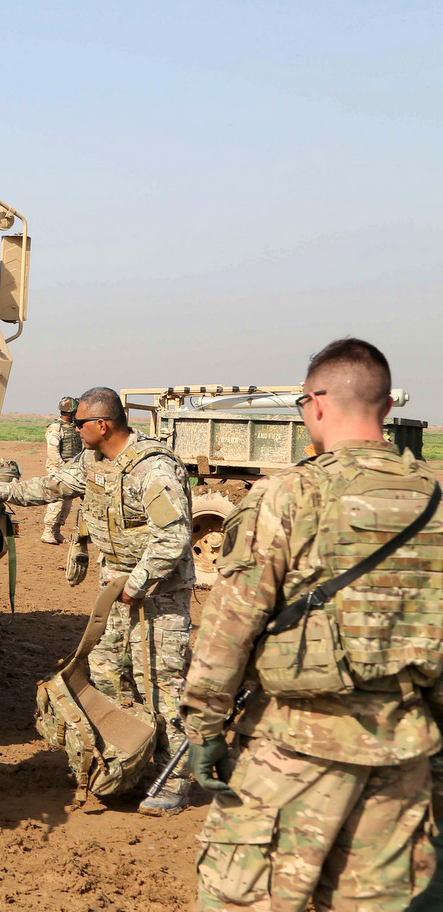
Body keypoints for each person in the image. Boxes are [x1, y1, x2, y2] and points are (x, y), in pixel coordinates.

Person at [182, 338, 443, 912]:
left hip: (292, 752)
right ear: (386, 408)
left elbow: (231, 623)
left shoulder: (290, 493)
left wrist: (203, 727)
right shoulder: (434, 501)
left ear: (318, 403)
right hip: (402, 758)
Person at [0, 386, 195, 816]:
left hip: (159, 593)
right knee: (108, 674)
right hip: (116, 587)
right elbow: (52, 485)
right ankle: (125, 764)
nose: (73, 429)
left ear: (102, 425)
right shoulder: (93, 460)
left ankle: (173, 780)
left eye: (80, 423)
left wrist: (138, 582)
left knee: (162, 684)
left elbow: (174, 538)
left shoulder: (154, 469)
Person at [41, 396, 82, 544]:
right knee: (56, 501)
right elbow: (52, 452)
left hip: (70, 470)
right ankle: (48, 532)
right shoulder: (56, 428)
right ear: (70, 412)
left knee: (67, 504)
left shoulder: (73, 428)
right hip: (58, 470)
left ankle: (57, 531)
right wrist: (62, 467)